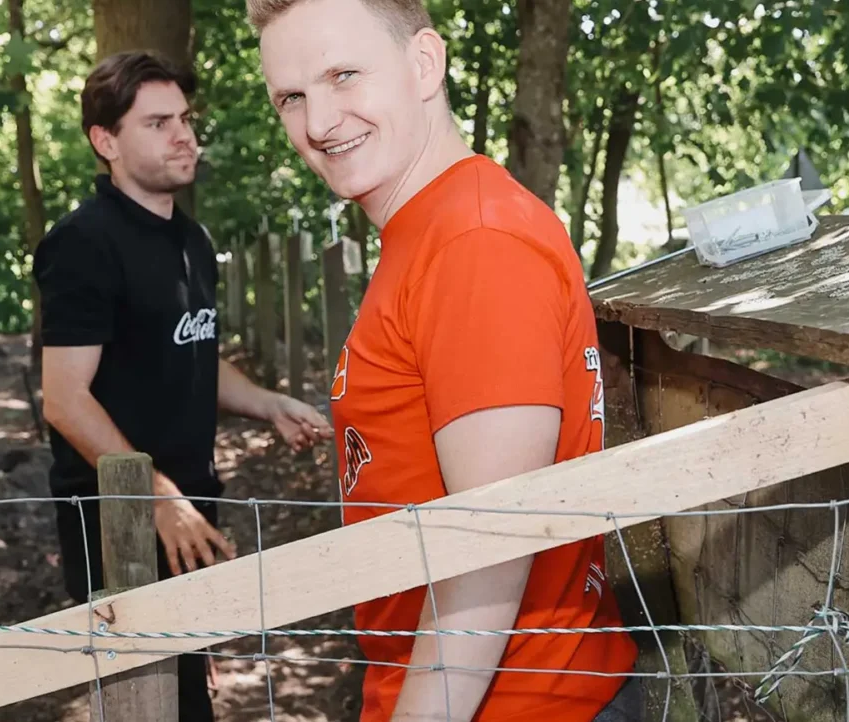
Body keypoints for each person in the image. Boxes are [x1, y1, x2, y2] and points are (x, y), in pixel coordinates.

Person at [250, 0, 643, 721]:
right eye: (292, 97)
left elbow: (489, 550)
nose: (318, 122)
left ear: (425, 63)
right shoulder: (430, 230)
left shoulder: (473, 243)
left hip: (516, 702)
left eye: (344, 75)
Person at [32, 50, 335, 721]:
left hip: (191, 502)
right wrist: (157, 500)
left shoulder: (192, 242)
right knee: (149, 704)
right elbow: (65, 398)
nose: (184, 135)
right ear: (105, 141)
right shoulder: (83, 243)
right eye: (159, 122)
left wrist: (269, 404)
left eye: (187, 119)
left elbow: (189, 353)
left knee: (192, 693)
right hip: (118, 519)